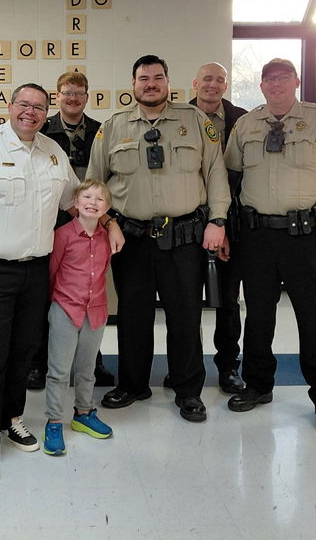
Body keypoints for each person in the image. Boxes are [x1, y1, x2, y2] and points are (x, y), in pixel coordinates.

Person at [0, 83, 122, 483]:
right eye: (23, 104)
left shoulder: (52, 153)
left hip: (36, 270)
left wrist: (108, 221)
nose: (30, 112)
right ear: (10, 106)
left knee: (24, 353)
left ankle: (11, 418)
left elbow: (79, 201)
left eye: (38, 107)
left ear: (46, 112)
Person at [87, 55, 230, 423]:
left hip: (183, 237)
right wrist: (107, 222)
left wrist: (217, 220)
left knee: (185, 315)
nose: (150, 84)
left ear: (169, 82)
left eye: (157, 78)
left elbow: (215, 173)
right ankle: (133, 384)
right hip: (131, 238)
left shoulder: (195, 121)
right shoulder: (113, 127)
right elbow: (94, 184)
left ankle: (188, 391)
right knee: (133, 315)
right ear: (132, 84)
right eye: (143, 78)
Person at [223, 58, 316, 434]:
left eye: (283, 78)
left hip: (306, 238)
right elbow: (230, 182)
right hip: (257, 238)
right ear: (261, 86)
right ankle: (258, 386)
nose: (276, 85)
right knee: (258, 318)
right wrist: (225, 231)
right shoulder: (246, 125)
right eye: (269, 80)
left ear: (296, 82)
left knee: (314, 320)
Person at [28, 70, 114, 390]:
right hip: (54, 224)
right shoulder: (43, 130)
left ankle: (91, 363)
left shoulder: (101, 132)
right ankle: (40, 362)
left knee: (90, 292)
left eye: (79, 93)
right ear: (58, 95)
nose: (73, 98)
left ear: (87, 97)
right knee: (48, 293)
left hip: (91, 223)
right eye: (67, 93)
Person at [43, 178, 115, 456]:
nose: (92, 203)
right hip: (65, 308)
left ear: (106, 207)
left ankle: (83, 413)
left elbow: (105, 269)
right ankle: (53, 420)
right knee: (59, 370)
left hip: (95, 310)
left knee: (86, 368)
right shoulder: (62, 235)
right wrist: (56, 303)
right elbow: (52, 271)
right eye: (86, 197)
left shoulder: (108, 237)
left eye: (99, 199)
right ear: (75, 203)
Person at [187, 62, 248, 395]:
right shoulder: (179, 116)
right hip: (188, 223)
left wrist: (223, 223)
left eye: (219, 80)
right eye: (207, 79)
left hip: (231, 224)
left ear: (226, 86)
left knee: (227, 300)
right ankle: (187, 368)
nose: (212, 85)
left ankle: (228, 367)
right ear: (195, 83)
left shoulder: (242, 119)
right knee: (186, 301)